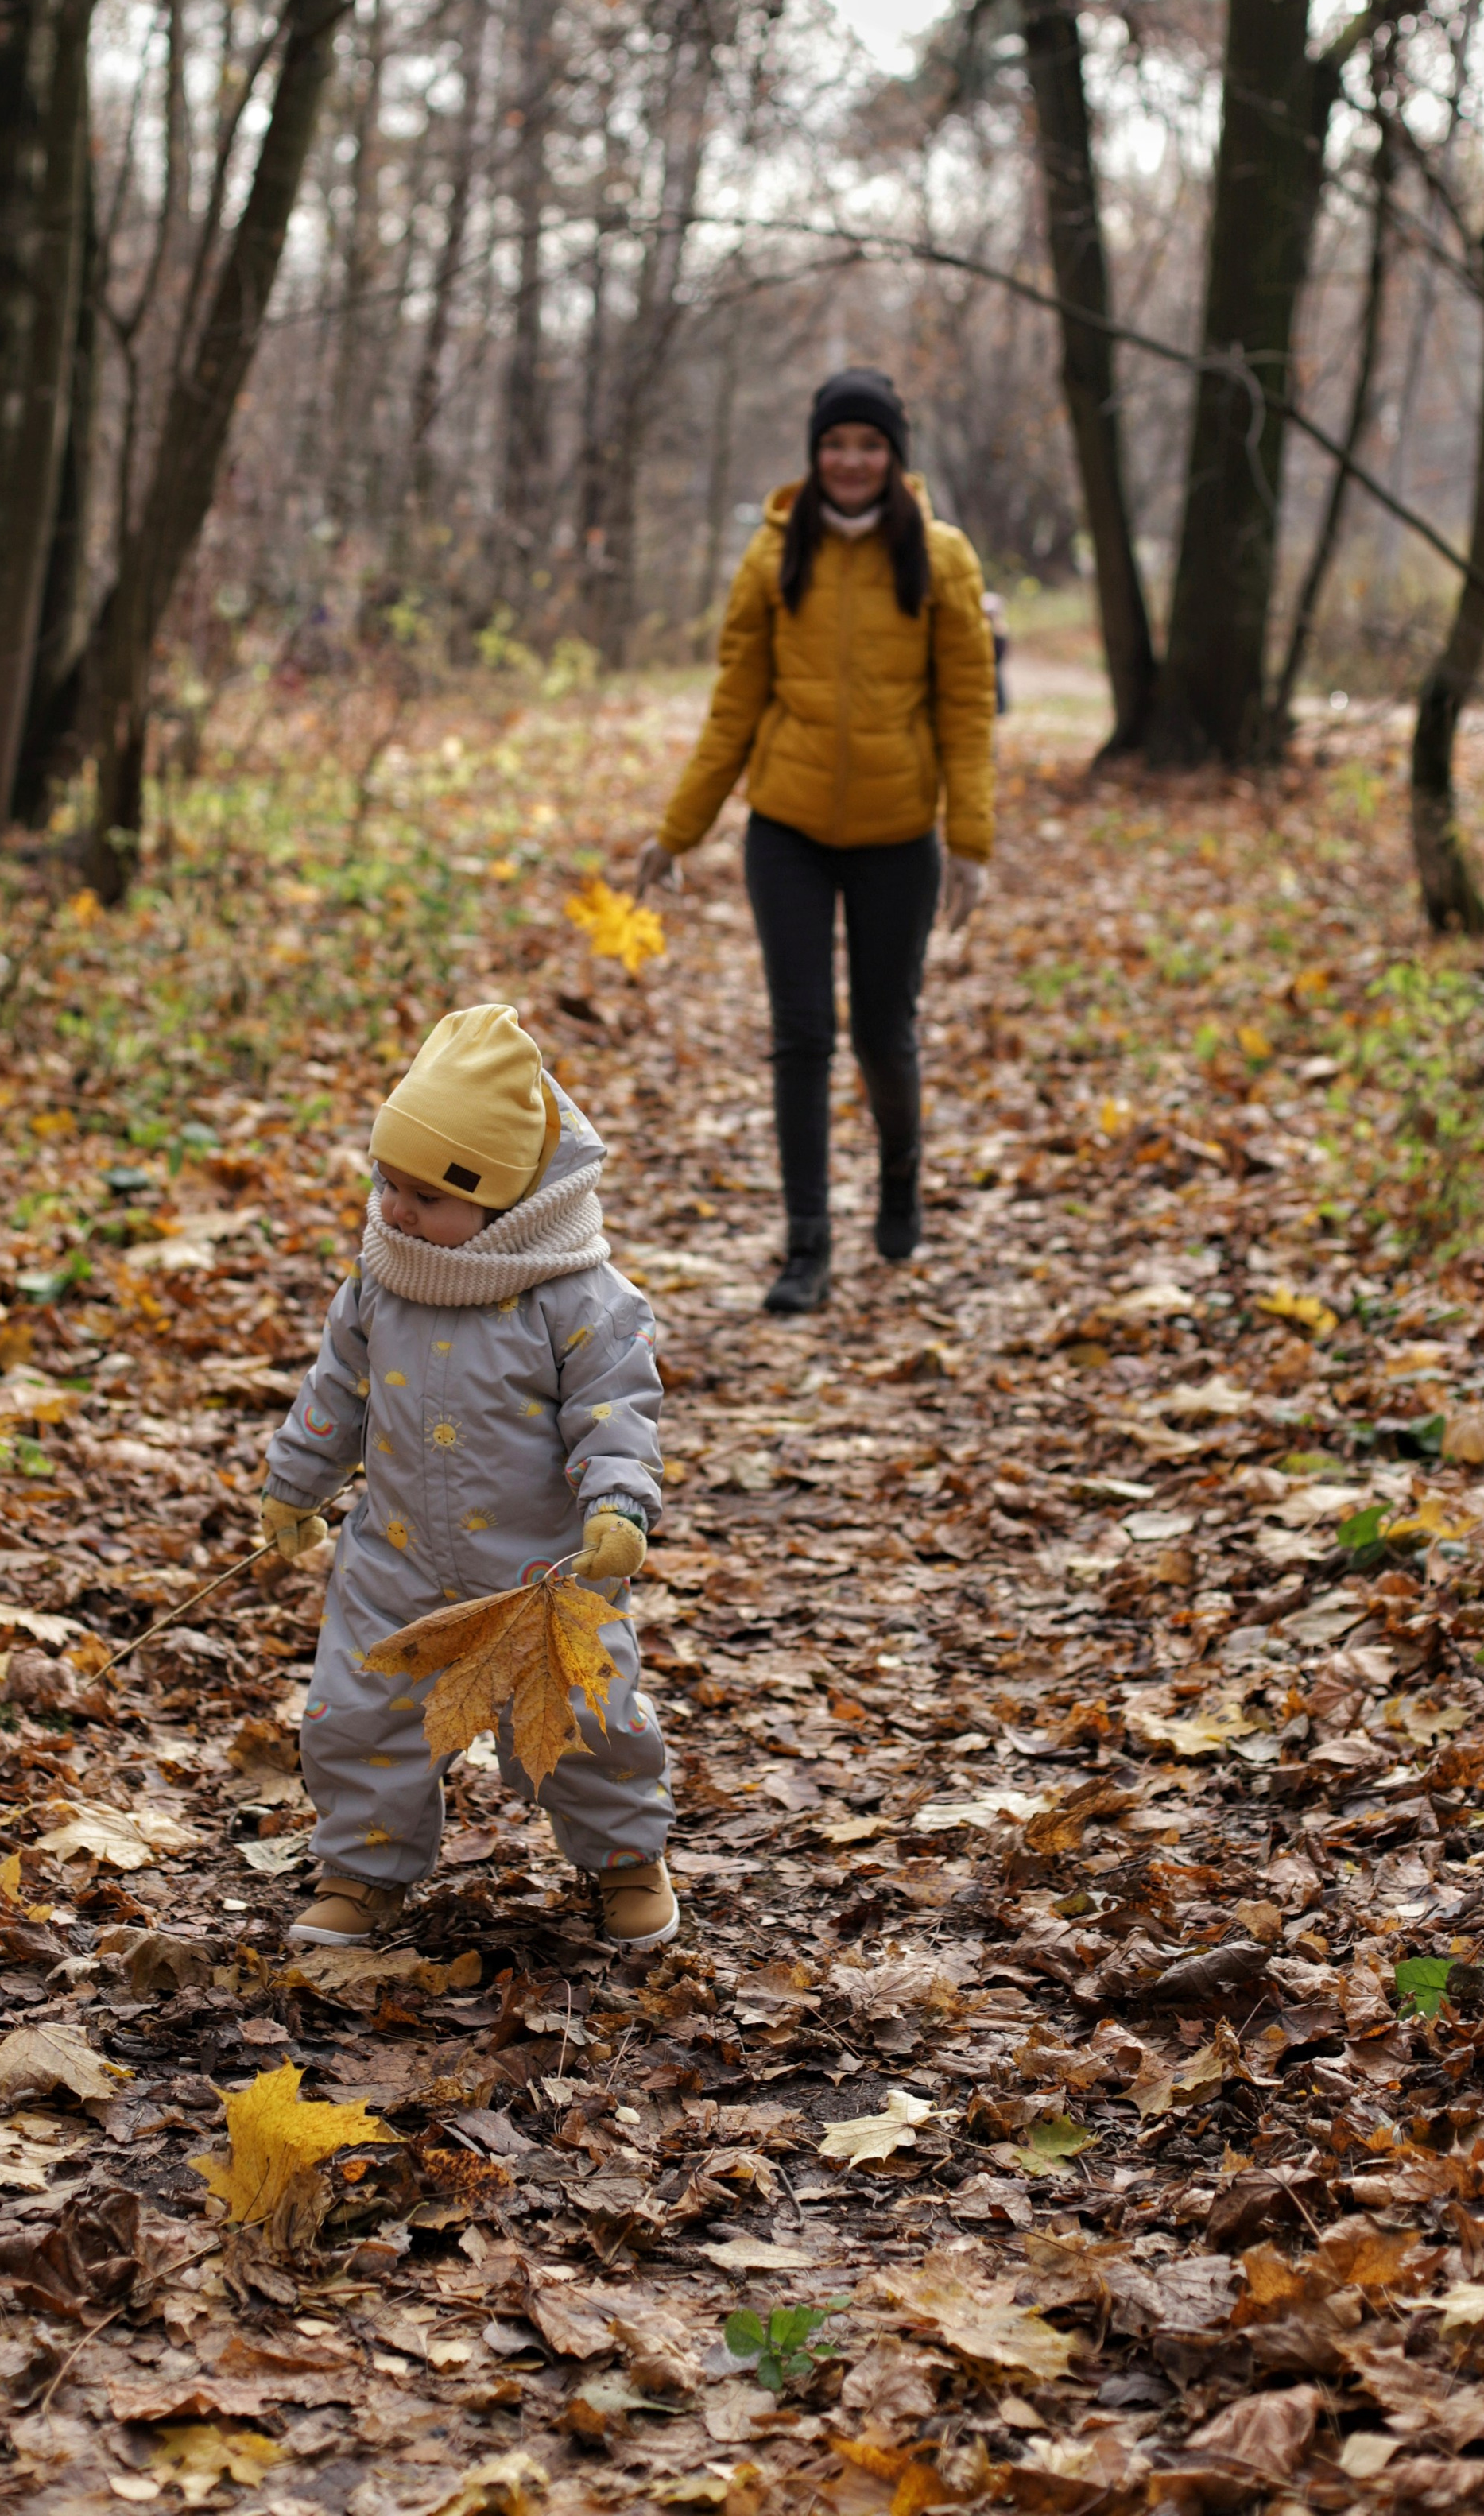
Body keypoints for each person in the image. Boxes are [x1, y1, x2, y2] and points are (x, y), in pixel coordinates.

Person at [260, 1003, 676, 1950]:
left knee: (584, 1719)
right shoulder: (381, 1279)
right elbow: (336, 1392)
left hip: (541, 1569)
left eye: (424, 1194)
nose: (395, 1209)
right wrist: (295, 1485)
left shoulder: (579, 1299)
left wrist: (617, 1506)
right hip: (394, 1557)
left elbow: (615, 1410)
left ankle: (625, 1859)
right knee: (358, 1713)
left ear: (506, 1202)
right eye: (385, 1181)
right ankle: (362, 1870)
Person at [637, 367, 994, 1316]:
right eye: (835, 443)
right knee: (801, 1035)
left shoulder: (943, 558)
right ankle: (807, 1247)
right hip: (787, 831)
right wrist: (677, 833)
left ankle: (900, 1172)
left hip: (897, 834)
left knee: (883, 1031)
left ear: (893, 455)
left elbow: (967, 709)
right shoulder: (771, 556)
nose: (850, 461)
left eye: (869, 444)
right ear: (814, 452)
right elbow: (734, 707)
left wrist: (969, 841)